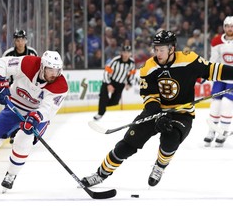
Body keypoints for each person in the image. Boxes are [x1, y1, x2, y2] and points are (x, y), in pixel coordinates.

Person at [81, 30, 233, 188]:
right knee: (126, 145)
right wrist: (158, 115)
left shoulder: (189, 60)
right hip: (155, 111)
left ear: (172, 48)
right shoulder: (149, 67)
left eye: (162, 49)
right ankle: (100, 174)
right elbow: (150, 98)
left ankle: (160, 166)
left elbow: (215, 70)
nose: (158, 53)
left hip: (182, 113)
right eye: (156, 48)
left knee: (170, 140)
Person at [0, 50, 68, 192]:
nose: (54, 74)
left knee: (24, 138)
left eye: (57, 70)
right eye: (50, 70)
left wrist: (36, 117)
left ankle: (11, 174)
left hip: (37, 114)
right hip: (15, 105)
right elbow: (0, 64)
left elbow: (49, 108)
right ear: (42, 67)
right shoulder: (28, 63)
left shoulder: (61, 86)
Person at [2, 29, 38, 144]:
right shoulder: (8, 54)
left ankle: (22, 132)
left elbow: (37, 71)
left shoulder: (32, 53)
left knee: (28, 111)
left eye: (22, 39)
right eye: (18, 40)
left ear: (26, 40)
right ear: (14, 41)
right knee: (12, 110)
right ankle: (12, 133)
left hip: (29, 89)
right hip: (13, 90)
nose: (20, 42)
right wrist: (5, 87)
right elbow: (4, 71)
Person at [204, 16, 233, 148]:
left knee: (227, 104)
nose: (230, 28)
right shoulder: (217, 41)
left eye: (232, 26)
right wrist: (207, 73)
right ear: (224, 27)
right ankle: (212, 131)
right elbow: (213, 60)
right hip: (220, 78)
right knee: (215, 104)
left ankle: (223, 132)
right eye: (227, 26)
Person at [93, 45, 136, 120]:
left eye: (128, 52)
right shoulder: (115, 60)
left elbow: (131, 74)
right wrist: (109, 84)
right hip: (109, 81)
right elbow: (106, 72)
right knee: (103, 96)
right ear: (121, 53)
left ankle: (102, 105)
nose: (126, 54)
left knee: (115, 102)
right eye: (124, 52)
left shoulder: (132, 63)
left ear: (130, 54)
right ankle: (100, 113)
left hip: (120, 84)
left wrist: (129, 84)